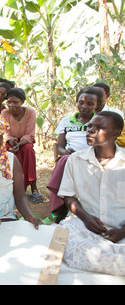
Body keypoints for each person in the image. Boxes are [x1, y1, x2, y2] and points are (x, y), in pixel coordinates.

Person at [57, 111, 125, 275]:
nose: (90, 130)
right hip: (84, 226)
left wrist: (123, 231)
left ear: (117, 133)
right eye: (90, 126)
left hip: (121, 227)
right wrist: (86, 218)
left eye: (99, 127)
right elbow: (69, 196)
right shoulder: (75, 159)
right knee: (61, 238)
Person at [48, 87, 103, 223]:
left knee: (68, 161)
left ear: (97, 105)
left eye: (90, 104)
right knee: (66, 160)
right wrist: (67, 153)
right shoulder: (66, 121)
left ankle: (68, 208)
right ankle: (58, 210)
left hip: (92, 158)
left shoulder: (99, 121)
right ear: (77, 102)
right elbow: (60, 146)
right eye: (81, 102)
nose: (84, 106)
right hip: (69, 159)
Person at [1, 88, 41, 203]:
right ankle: (12, 187)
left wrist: (19, 143)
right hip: (11, 142)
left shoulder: (30, 112)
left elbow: (30, 134)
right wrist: (10, 140)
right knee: (8, 152)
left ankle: (34, 186)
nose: (11, 105)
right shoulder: (5, 113)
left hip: (24, 142)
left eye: (15, 102)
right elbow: (5, 133)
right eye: (9, 102)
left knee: (28, 150)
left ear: (22, 101)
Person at [92, 82, 125, 148]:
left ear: (107, 95)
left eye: (99, 94)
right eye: (93, 93)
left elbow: (120, 139)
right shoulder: (84, 114)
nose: (95, 97)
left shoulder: (116, 114)